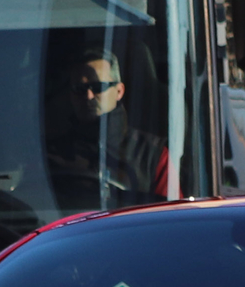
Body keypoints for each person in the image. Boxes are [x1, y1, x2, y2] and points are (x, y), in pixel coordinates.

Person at [46, 47, 166, 210]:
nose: (88, 96)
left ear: (119, 91)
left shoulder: (153, 154)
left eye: (98, 86)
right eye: (79, 89)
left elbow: (173, 217)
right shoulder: (50, 156)